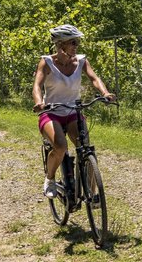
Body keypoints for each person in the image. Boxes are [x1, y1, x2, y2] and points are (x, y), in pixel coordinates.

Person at [32, 25, 115, 198]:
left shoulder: (81, 61)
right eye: (73, 42)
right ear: (61, 44)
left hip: (73, 111)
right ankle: (50, 178)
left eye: (77, 42)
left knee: (86, 149)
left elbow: (94, 78)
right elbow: (37, 86)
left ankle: (91, 194)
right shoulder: (46, 62)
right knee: (61, 147)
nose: (76, 45)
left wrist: (105, 93)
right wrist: (39, 103)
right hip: (51, 112)